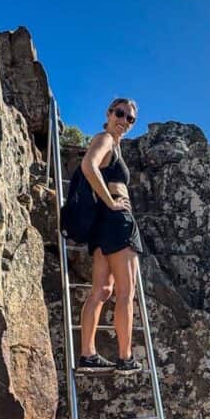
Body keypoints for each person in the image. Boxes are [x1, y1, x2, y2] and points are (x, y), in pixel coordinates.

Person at [76, 98, 144, 375]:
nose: (124, 121)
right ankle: (125, 358)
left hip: (102, 225)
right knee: (126, 294)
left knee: (101, 291)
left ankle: (88, 355)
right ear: (108, 113)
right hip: (117, 221)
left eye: (130, 119)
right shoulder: (104, 138)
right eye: (120, 113)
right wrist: (112, 201)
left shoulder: (113, 144)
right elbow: (88, 166)